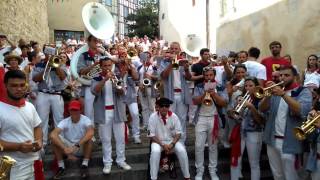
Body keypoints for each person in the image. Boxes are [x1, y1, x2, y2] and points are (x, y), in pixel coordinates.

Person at [259, 65, 312, 180]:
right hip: (272, 140)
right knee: (277, 175)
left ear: (295, 77)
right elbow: (262, 109)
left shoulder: (303, 91)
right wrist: (267, 96)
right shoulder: (276, 91)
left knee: (291, 176)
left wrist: (283, 95)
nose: (282, 78)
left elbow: (301, 111)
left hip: (290, 142)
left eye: (286, 75)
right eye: (281, 75)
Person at [91, 57, 132, 174]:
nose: (108, 68)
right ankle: (107, 163)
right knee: (106, 139)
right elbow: (94, 91)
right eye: (105, 66)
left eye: (109, 65)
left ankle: (121, 160)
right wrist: (104, 80)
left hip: (117, 111)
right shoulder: (96, 78)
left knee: (120, 139)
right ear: (101, 66)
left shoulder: (117, 77)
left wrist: (116, 84)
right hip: (103, 112)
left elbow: (122, 92)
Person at [0, 70, 42, 179]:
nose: (19, 89)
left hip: (34, 162)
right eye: (14, 85)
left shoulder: (30, 106)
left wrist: (39, 141)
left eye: (22, 85)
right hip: (10, 167)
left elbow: (36, 127)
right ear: (5, 86)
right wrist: (18, 147)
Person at [192, 67, 228, 180]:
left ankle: (213, 170)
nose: (208, 77)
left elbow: (224, 103)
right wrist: (204, 94)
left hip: (214, 118)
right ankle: (199, 171)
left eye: (211, 75)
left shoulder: (220, 87)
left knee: (213, 146)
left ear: (214, 75)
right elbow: (194, 101)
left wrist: (214, 94)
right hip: (201, 118)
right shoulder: (199, 86)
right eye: (206, 75)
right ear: (204, 76)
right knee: (198, 146)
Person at [229, 77, 264, 180]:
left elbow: (261, 121)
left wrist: (251, 107)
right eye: (246, 86)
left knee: (254, 163)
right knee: (235, 159)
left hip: (254, 133)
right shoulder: (240, 97)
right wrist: (235, 109)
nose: (248, 88)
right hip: (240, 132)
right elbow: (232, 115)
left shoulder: (261, 100)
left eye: (251, 86)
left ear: (256, 87)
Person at [148, 97, 191, 180]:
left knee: (182, 151)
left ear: (169, 107)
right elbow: (151, 135)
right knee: (155, 152)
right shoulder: (153, 117)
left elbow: (178, 133)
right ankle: (153, 178)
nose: (164, 108)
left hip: (172, 141)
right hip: (158, 142)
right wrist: (163, 145)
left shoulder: (174, 116)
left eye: (166, 106)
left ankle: (187, 176)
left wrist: (172, 144)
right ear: (158, 107)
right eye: (162, 106)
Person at [50, 100, 94, 179]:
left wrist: (76, 146)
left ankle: (85, 165)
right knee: (54, 139)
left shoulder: (86, 119)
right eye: (72, 110)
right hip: (68, 148)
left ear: (80, 110)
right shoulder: (65, 121)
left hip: (80, 147)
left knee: (89, 138)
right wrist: (65, 149)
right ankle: (61, 167)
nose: (74, 112)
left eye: (76, 110)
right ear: (69, 110)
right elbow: (53, 134)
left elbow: (91, 132)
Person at [32, 51, 67, 147]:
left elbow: (63, 77)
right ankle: (42, 143)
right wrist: (47, 68)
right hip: (43, 93)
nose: (50, 56)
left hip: (56, 94)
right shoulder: (39, 65)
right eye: (48, 54)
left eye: (52, 54)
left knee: (59, 119)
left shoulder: (60, 63)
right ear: (45, 55)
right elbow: (35, 79)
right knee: (42, 119)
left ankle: (59, 141)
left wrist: (56, 66)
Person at [159, 42, 192, 143]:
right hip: (170, 94)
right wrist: (172, 62)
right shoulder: (164, 62)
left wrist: (186, 70)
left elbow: (189, 78)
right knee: (169, 119)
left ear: (179, 50)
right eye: (172, 49)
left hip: (182, 94)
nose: (174, 50)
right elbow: (163, 76)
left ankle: (181, 143)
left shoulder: (183, 61)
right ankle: (169, 142)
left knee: (182, 119)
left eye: (176, 49)